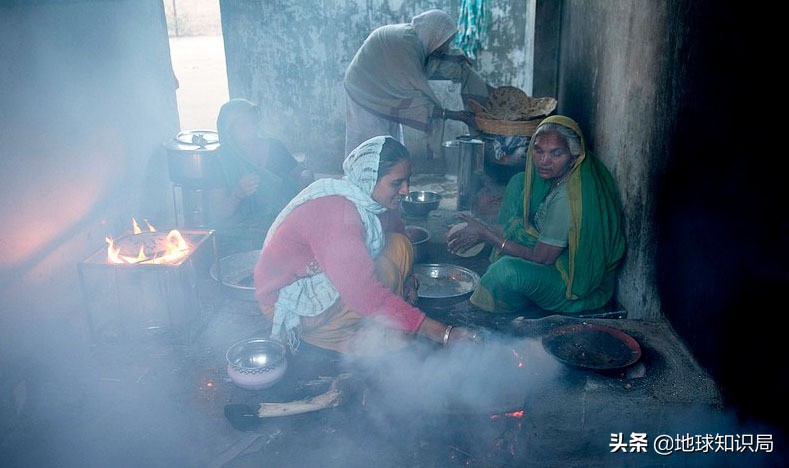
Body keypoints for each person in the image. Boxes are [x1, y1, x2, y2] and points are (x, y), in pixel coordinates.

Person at [253, 135, 479, 355]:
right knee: (386, 301)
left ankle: (387, 320)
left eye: (408, 180)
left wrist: (409, 278)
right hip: (287, 297)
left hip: (328, 276)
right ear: (369, 179)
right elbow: (365, 293)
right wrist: (445, 334)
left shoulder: (369, 201)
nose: (406, 190)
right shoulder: (339, 215)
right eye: (396, 183)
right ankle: (325, 336)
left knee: (399, 244)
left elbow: (397, 228)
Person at [447, 115, 626, 314]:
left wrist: (487, 235)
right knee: (518, 182)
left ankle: (508, 303)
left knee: (505, 271)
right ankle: (507, 276)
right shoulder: (555, 177)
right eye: (538, 150)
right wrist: (481, 227)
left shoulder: (567, 198)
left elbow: (541, 258)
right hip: (552, 249)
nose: (544, 161)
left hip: (570, 283)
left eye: (556, 154)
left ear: (574, 155)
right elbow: (527, 227)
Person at [344, 9, 493, 158]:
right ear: (435, 35)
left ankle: (385, 177)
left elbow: (440, 64)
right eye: (446, 43)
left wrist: (489, 92)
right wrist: (454, 115)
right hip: (363, 90)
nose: (447, 48)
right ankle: (366, 178)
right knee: (371, 148)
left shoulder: (419, 41)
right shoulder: (407, 44)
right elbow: (417, 100)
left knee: (388, 145)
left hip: (380, 87)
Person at [210, 98, 314, 253]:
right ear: (229, 132)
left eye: (252, 121)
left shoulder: (274, 147)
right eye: (242, 124)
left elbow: (300, 174)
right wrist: (238, 193)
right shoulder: (221, 160)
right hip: (244, 233)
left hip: (282, 222)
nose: (251, 127)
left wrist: (307, 178)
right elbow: (220, 214)